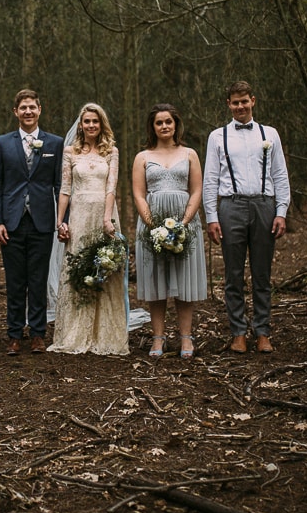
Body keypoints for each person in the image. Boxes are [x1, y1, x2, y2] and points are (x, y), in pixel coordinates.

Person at [203, 80, 291, 354]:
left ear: (253, 100)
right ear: (228, 104)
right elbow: (210, 179)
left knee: (262, 273)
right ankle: (238, 332)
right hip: (231, 206)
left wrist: (281, 211)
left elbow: (280, 175)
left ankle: (263, 332)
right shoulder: (218, 136)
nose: (240, 106)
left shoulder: (270, 134)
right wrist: (212, 216)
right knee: (233, 273)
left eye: (244, 101)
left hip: (264, 205)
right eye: (235, 102)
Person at [50, 103, 129, 355]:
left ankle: (104, 335)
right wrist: (59, 221)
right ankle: (75, 334)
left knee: (105, 269)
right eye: (87, 121)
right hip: (79, 216)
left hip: (104, 214)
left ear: (101, 123)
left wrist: (108, 219)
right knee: (78, 268)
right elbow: (65, 189)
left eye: (95, 121)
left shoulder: (111, 152)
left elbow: (111, 188)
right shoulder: (70, 151)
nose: (91, 125)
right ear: (81, 125)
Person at [0, 89, 64, 355]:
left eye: (32, 107)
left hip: (43, 221)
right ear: (16, 112)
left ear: (40, 109)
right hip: (11, 222)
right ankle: (13, 334)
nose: (28, 111)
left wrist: (61, 220)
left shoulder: (55, 143)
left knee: (38, 279)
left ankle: (37, 334)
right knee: (15, 280)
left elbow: (59, 185)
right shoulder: (3, 143)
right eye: (23, 107)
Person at [132, 104, 206, 359]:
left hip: (184, 220)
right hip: (152, 223)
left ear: (176, 124)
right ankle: (158, 338)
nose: (164, 126)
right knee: (156, 280)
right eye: (159, 122)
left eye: (168, 122)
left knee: (183, 278)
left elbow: (197, 190)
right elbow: (139, 194)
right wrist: (153, 226)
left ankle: (186, 337)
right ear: (153, 127)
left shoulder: (190, 154)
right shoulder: (142, 156)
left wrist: (184, 223)